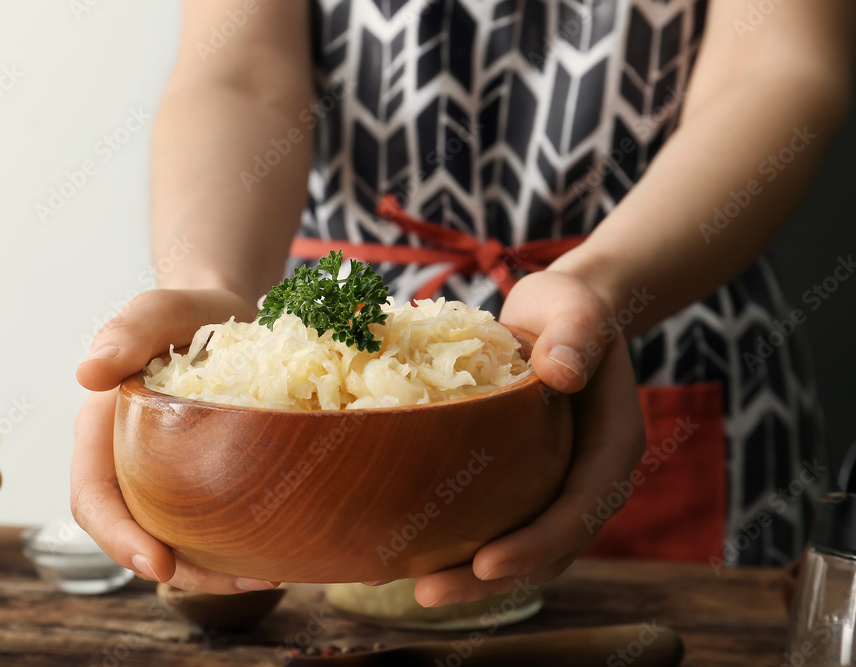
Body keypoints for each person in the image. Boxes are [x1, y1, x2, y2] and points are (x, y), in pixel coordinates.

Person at [71, 0, 855, 607]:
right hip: (314, 387)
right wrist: (209, 307)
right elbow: (238, 69)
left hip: (666, 322)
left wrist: (606, 285)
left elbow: (777, 62)